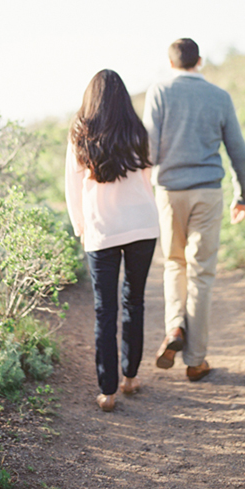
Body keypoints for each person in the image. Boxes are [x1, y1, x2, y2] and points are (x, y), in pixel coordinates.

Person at [142, 38, 245, 382]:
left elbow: (149, 150)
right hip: (207, 191)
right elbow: (237, 149)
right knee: (202, 273)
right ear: (199, 61)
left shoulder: (158, 92)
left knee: (174, 264)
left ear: (171, 63)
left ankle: (175, 327)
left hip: (170, 192)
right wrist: (242, 194)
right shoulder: (220, 97)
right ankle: (196, 360)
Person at [66, 70, 161, 412]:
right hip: (142, 226)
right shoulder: (139, 132)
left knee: (105, 310)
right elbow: (150, 177)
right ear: (124, 98)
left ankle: (107, 391)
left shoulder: (80, 133)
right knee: (134, 301)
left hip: (101, 230)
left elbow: (72, 188)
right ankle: (131, 377)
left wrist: (81, 227)